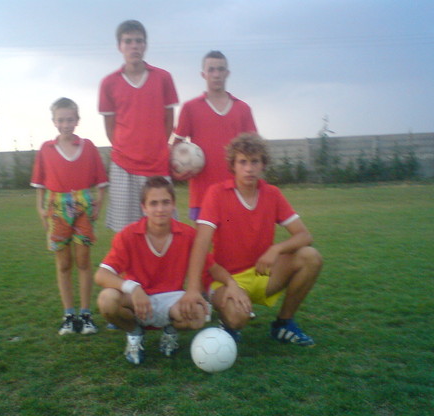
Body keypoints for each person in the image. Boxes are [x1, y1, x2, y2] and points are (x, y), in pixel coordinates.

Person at [180, 133, 323, 346]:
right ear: (233, 165)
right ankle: (229, 321)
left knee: (310, 257)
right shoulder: (216, 193)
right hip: (225, 279)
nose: (249, 168)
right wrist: (193, 289)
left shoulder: (272, 193)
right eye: (243, 162)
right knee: (238, 318)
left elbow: (305, 236)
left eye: (254, 161)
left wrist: (276, 249)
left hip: (261, 273)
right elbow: (200, 244)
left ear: (263, 164)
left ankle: (284, 323)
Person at [95, 176, 218, 365]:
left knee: (198, 315)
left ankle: (171, 331)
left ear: (173, 205)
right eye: (153, 203)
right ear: (144, 207)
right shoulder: (128, 235)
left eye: (165, 202)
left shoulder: (187, 234)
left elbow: (210, 266)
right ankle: (134, 333)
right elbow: (101, 274)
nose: (160, 209)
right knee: (107, 300)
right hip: (138, 299)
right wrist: (133, 288)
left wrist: (230, 284)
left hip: (171, 299)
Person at [31, 97, 108, 335]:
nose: (66, 124)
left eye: (70, 119)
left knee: (83, 260)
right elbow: (39, 184)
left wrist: (98, 202)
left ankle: (85, 315)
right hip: (56, 206)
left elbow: (101, 181)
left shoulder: (88, 146)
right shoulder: (46, 149)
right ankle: (68, 315)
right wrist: (41, 208)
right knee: (63, 263)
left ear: (77, 120)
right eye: (61, 120)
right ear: (54, 121)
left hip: (83, 203)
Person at [98, 20, 179, 232]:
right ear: (119, 46)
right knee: (126, 232)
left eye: (139, 41)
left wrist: (155, 147)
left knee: (162, 227)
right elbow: (109, 127)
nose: (134, 46)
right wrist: (128, 149)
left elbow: (169, 120)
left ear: (145, 45)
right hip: (123, 166)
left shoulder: (163, 78)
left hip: (157, 165)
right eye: (128, 41)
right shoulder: (109, 82)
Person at [173, 50, 257, 220]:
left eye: (220, 69)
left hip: (238, 192)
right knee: (205, 238)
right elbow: (176, 147)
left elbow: (255, 152)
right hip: (202, 195)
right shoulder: (190, 108)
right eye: (211, 70)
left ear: (227, 73)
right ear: (203, 74)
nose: (216, 74)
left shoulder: (243, 109)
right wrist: (177, 171)